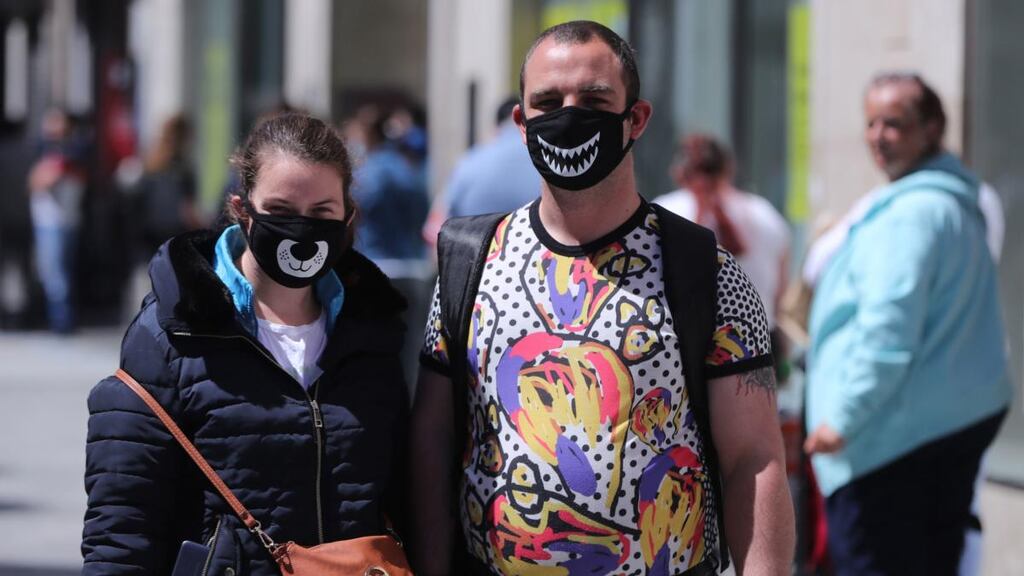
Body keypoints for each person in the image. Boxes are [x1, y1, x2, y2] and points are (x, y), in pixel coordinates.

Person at [410, 20, 794, 576]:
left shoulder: (707, 272)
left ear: (635, 118)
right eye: (548, 101)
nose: (569, 114)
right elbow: (434, 440)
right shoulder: (470, 262)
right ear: (521, 123)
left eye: (594, 98)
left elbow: (754, 460)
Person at [82, 113, 409, 575]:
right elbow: (122, 530)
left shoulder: (374, 334)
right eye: (280, 211)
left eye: (321, 213)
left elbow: (402, 496)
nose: (301, 230)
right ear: (242, 208)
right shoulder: (172, 334)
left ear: (348, 218)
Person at [803, 72, 1012, 575]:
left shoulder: (911, 215)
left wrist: (841, 421)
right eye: (871, 122)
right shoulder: (953, 204)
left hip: (887, 445)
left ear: (932, 127)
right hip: (936, 430)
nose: (877, 136)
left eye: (893, 123)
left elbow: (886, 334)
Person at [655, 134, 791, 368]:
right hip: (757, 345)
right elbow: (779, 293)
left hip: (690, 351)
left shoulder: (663, 214)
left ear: (681, 173)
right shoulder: (766, 215)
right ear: (729, 168)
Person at [27, 107, 87, 333]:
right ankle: (59, 318)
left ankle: (62, 321)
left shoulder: (73, 150)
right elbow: (33, 182)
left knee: (57, 272)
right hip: (48, 218)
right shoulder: (42, 149)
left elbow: (45, 180)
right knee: (53, 271)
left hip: (62, 219)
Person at [132, 113, 202, 261]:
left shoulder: (151, 162)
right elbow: (188, 208)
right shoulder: (182, 168)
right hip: (173, 232)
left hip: (149, 231)